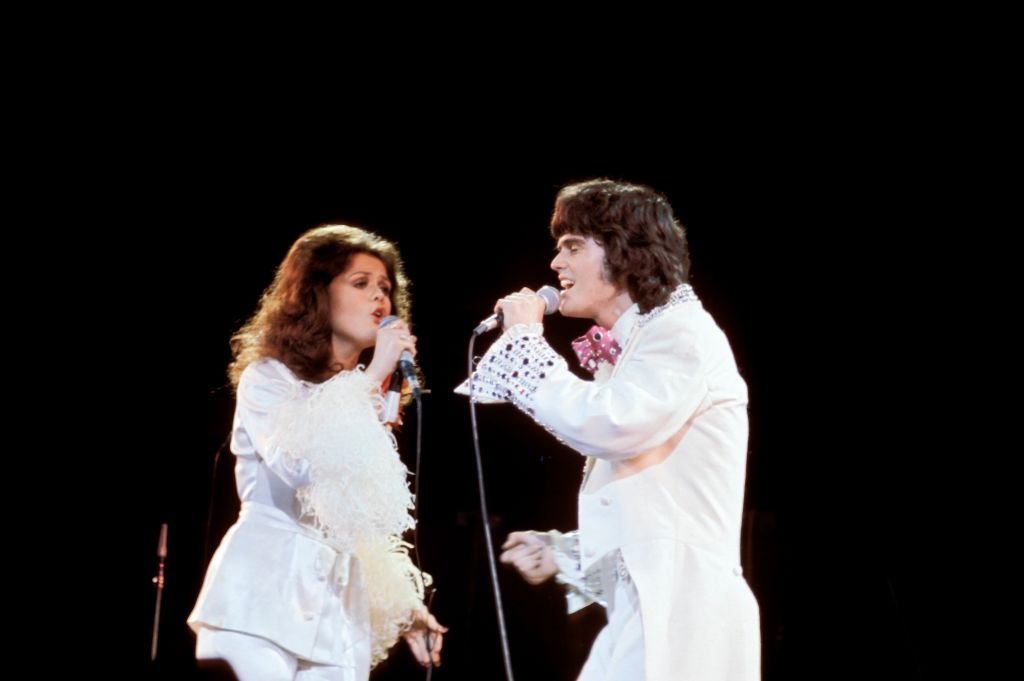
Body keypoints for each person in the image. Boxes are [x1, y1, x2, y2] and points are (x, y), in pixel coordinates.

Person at [461, 179, 760, 680]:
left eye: (573, 246)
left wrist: (525, 342)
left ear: (625, 252)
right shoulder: (643, 344)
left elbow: (610, 423)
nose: (556, 265)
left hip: (683, 614)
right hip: (650, 608)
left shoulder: (682, 332)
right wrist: (566, 554)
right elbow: (658, 512)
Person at [189, 224, 445, 681]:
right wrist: (375, 374)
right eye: (361, 283)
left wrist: (404, 607)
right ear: (317, 294)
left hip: (336, 615)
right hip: (258, 605)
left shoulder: (363, 403)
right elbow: (301, 465)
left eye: (385, 288)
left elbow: (357, 525)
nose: (379, 300)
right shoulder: (269, 378)